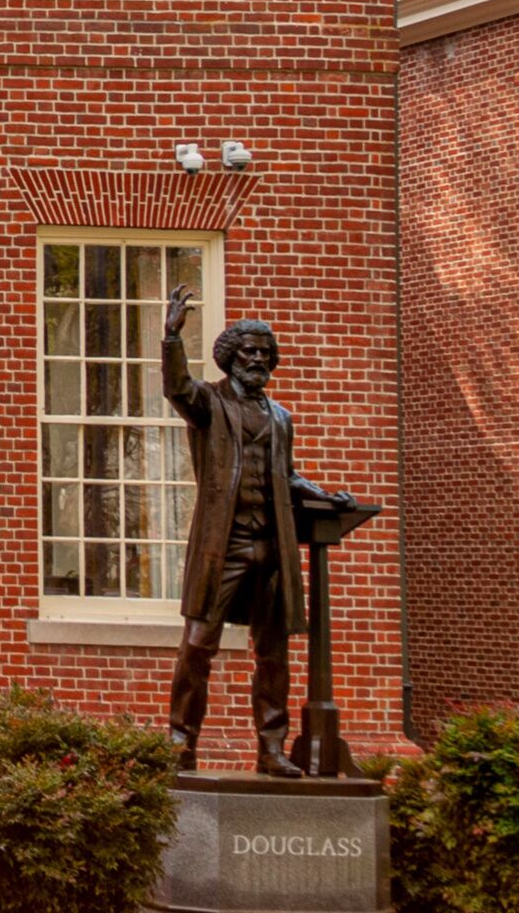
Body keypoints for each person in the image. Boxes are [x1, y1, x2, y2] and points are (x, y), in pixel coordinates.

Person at [159, 284, 355, 776]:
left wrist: (325, 496)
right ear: (229, 357)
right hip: (221, 547)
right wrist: (171, 339)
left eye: (265, 353)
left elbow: (285, 475)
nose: (258, 359)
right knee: (198, 644)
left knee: (272, 653)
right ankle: (181, 744)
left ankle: (271, 749)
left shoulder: (280, 417)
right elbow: (177, 388)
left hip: (271, 547)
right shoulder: (208, 404)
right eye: (249, 351)